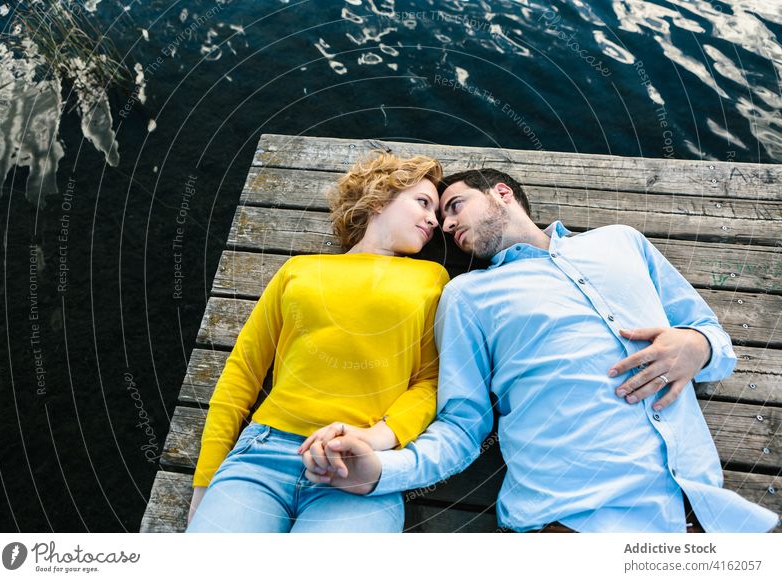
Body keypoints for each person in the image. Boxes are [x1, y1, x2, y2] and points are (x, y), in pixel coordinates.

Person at [303, 168, 779, 533]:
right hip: (573, 524)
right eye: (442, 217)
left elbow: (712, 336)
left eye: (455, 206)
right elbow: (461, 427)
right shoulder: (469, 296)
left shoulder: (621, 242)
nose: (445, 224)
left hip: (706, 519)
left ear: (501, 193)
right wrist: (379, 470)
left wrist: (696, 346)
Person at [185, 152, 449, 532]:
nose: (434, 220)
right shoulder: (299, 270)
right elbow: (242, 371)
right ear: (378, 199)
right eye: (423, 203)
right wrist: (205, 481)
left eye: (437, 212)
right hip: (262, 455)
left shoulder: (431, 278)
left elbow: (431, 381)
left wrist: (376, 438)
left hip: (358, 468)